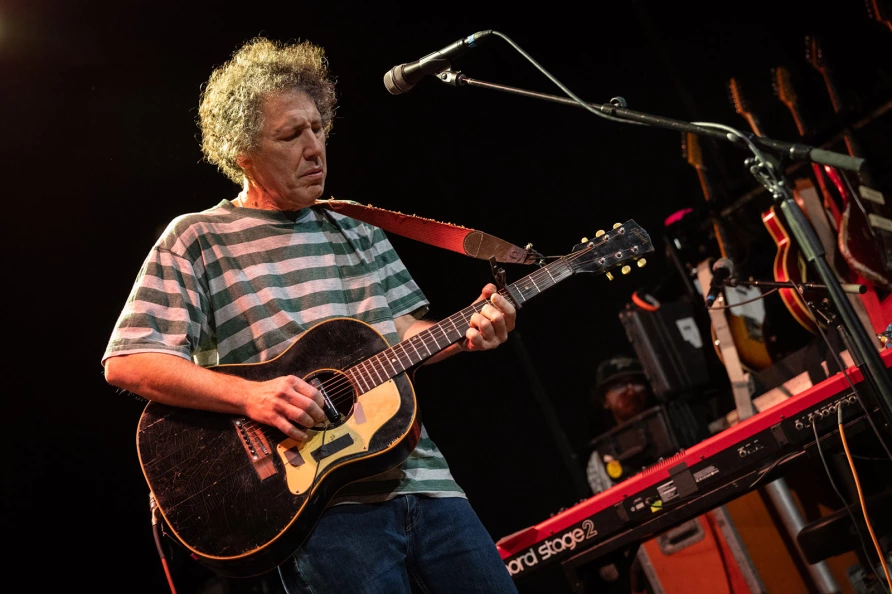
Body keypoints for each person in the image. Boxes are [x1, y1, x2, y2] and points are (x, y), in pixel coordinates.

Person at [102, 37, 519, 594]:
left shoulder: (361, 228)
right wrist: (252, 396)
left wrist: (469, 331)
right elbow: (128, 361)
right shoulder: (197, 238)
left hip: (429, 483)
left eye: (318, 128)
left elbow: (406, 337)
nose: (315, 147)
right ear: (243, 150)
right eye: (290, 135)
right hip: (317, 510)